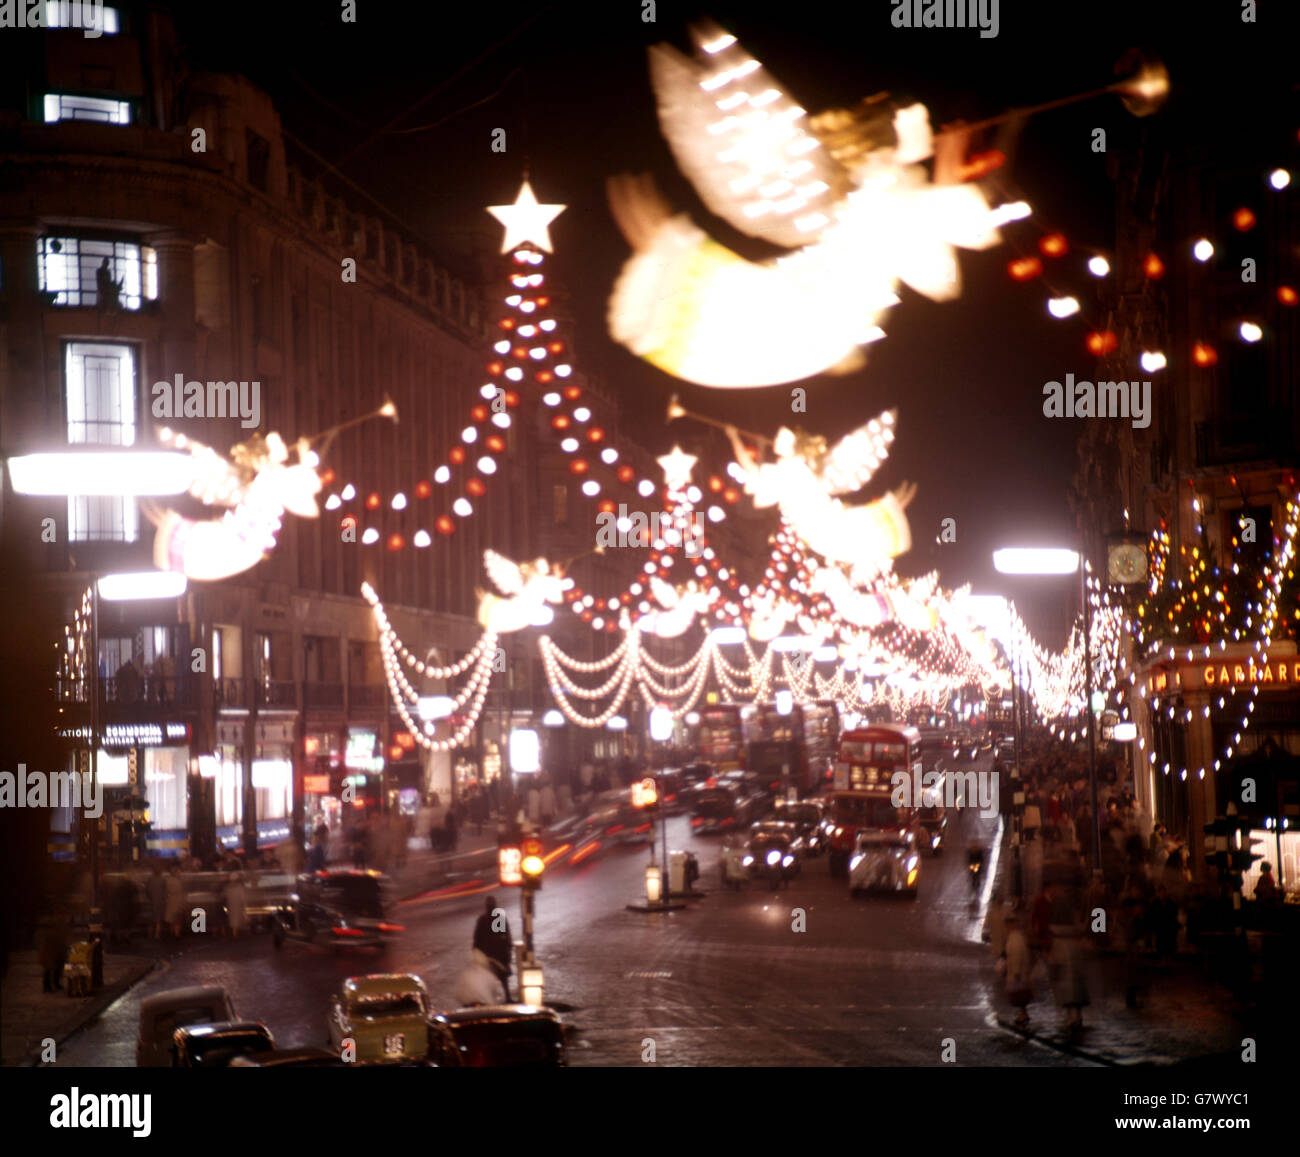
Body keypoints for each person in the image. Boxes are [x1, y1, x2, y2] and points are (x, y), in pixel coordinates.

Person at [472, 894, 513, 1002]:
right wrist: (508, 952)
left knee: (490, 980)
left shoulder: (483, 920)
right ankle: (506, 999)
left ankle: (493, 1000)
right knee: (502, 980)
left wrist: (476, 953)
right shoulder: (499, 918)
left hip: (488, 956)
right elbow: (506, 937)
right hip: (498, 955)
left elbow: (477, 939)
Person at [1003, 912, 1033, 1028]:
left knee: (1019, 995)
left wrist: (1015, 971)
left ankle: (1023, 1015)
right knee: (1021, 995)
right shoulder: (1017, 937)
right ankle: (1023, 1014)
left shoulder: (1015, 939)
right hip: (1020, 971)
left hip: (1017, 972)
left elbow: (1016, 955)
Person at [164, 862, 186, 940]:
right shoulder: (179, 882)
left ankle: (172, 933)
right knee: (178, 920)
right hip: (178, 903)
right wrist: (183, 905)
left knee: (172, 920)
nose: (180, 873)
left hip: (171, 902)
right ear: (176, 873)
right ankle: (176, 934)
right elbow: (182, 893)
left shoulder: (168, 881)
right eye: (179, 872)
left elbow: (166, 892)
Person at [224, 872, 248, 939]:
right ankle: (235, 933)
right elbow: (242, 897)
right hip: (236, 904)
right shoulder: (239, 887)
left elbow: (225, 895)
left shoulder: (228, 887)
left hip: (231, 904)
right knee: (236, 919)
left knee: (234, 919)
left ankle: (234, 932)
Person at [147, 860, 167, 940]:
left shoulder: (150, 879)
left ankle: (149, 934)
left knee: (151, 919)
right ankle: (157, 935)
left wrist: (150, 897)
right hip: (160, 902)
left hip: (152, 902)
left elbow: (147, 890)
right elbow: (165, 891)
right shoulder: (163, 880)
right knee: (158, 920)